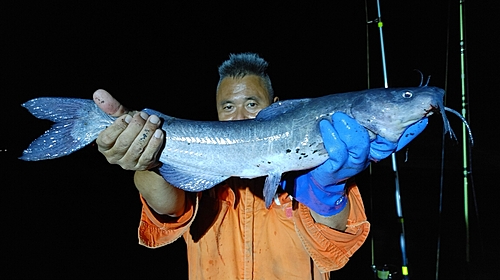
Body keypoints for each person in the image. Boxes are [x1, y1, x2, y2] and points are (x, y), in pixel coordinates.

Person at [93, 53, 426, 279]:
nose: (239, 116)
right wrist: (147, 161)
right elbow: (167, 206)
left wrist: (329, 190)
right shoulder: (209, 174)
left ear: (276, 107)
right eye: (228, 107)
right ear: (217, 114)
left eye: (252, 103)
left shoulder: (317, 167)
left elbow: (335, 239)